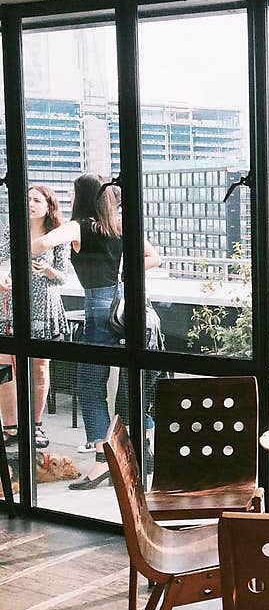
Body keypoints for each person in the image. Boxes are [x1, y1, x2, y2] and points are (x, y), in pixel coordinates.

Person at [31, 174, 161, 489]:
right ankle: (141, 447)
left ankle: (104, 461)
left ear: (81, 197)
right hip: (128, 309)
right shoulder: (120, 227)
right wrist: (121, 268)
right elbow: (154, 258)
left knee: (89, 386)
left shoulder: (81, 226)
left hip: (100, 311)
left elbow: (39, 244)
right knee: (134, 384)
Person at [0, 184, 71, 451]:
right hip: (9, 304)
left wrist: (48, 270)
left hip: (44, 307)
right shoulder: (12, 231)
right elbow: (2, 261)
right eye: (27, 198)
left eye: (36, 200)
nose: (30, 204)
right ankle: (9, 426)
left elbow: (63, 276)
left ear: (48, 206)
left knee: (39, 367)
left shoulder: (58, 235)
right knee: (6, 366)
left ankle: (35, 425)